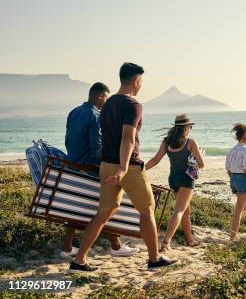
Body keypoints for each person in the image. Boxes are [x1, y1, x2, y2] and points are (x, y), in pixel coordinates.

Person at [69, 62, 177, 273]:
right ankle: (154, 259)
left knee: (104, 212)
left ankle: (79, 260)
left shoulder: (107, 104)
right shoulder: (133, 105)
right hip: (128, 167)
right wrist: (124, 167)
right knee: (147, 210)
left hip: (106, 165)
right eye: (141, 82)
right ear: (136, 81)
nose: (141, 86)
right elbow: (127, 138)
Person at [62, 82, 138, 258]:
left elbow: (68, 140)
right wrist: (110, 162)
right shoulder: (95, 115)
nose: (107, 103)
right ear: (99, 96)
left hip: (73, 165)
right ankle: (116, 246)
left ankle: (67, 247)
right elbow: (97, 148)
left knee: (79, 204)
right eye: (106, 98)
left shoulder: (74, 111)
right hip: (88, 166)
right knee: (109, 202)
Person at [145, 114, 205, 251]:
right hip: (186, 180)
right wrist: (195, 158)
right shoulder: (190, 142)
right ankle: (166, 242)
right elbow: (201, 164)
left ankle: (190, 240)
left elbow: (155, 160)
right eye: (189, 126)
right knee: (179, 211)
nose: (190, 129)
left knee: (185, 210)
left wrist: (141, 170)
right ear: (185, 128)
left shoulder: (167, 142)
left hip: (173, 179)